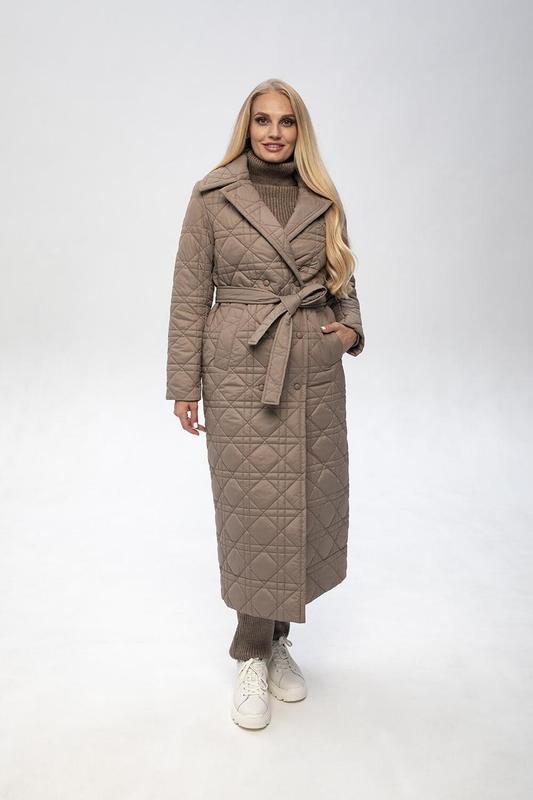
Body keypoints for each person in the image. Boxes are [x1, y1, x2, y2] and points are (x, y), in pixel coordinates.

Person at [166, 78, 365, 730]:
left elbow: (342, 276)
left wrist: (348, 331)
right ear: (245, 127)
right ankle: (250, 653)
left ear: (299, 130)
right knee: (252, 512)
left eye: (285, 121)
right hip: (238, 370)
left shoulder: (322, 197)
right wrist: (184, 383)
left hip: (309, 367)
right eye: (262, 121)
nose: (273, 132)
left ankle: (278, 641)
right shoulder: (212, 196)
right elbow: (189, 294)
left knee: (301, 507)